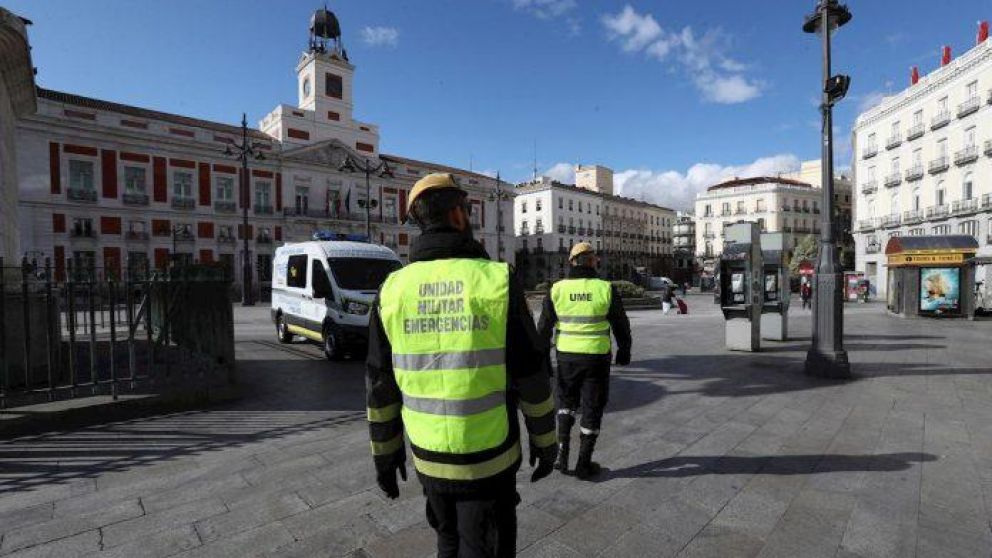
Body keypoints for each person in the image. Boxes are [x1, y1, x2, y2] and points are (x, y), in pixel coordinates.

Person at [366, 173, 557, 557]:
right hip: (489, 460)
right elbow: (531, 373)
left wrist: (385, 455)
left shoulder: (391, 290)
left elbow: (379, 385)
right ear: (457, 214)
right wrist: (545, 440)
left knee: (448, 539)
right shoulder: (497, 280)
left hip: (428, 458)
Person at [538, 242, 632, 480]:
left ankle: (561, 454)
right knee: (592, 407)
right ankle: (583, 463)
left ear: (571, 262)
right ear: (593, 261)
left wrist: (542, 357)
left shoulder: (557, 289)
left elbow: (544, 327)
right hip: (596, 358)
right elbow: (621, 323)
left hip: (566, 357)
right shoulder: (605, 288)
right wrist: (624, 350)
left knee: (565, 403)